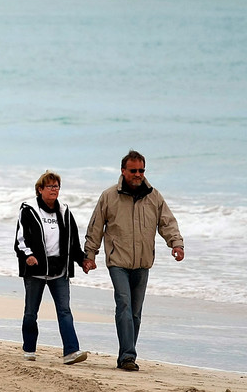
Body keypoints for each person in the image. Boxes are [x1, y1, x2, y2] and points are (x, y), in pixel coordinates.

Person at [83, 150, 184, 372]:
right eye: (133, 170)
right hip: (118, 261)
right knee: (124, 305)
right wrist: (89, 256)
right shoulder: (109, 196)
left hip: (143, 263)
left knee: (135, 312)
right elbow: (95, 227)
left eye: (141, 170)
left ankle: (125, 356)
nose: (138, 174)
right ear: (123, 171)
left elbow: (167, 223)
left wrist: (176, 243)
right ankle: (128, 356)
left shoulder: (154, 196)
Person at [14, 170, 89, 365]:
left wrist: (82, 261)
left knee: (64, 311)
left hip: (59, 270)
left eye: (57, 186)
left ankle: (71, 352)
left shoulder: (64, 211)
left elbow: (73, 241)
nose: (55, 190)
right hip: (36, 270)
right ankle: (29, 349)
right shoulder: (28, 210)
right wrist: (28, 256)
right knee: (31, 312)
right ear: (40, 189)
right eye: (50, 186)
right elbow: (20, 239)